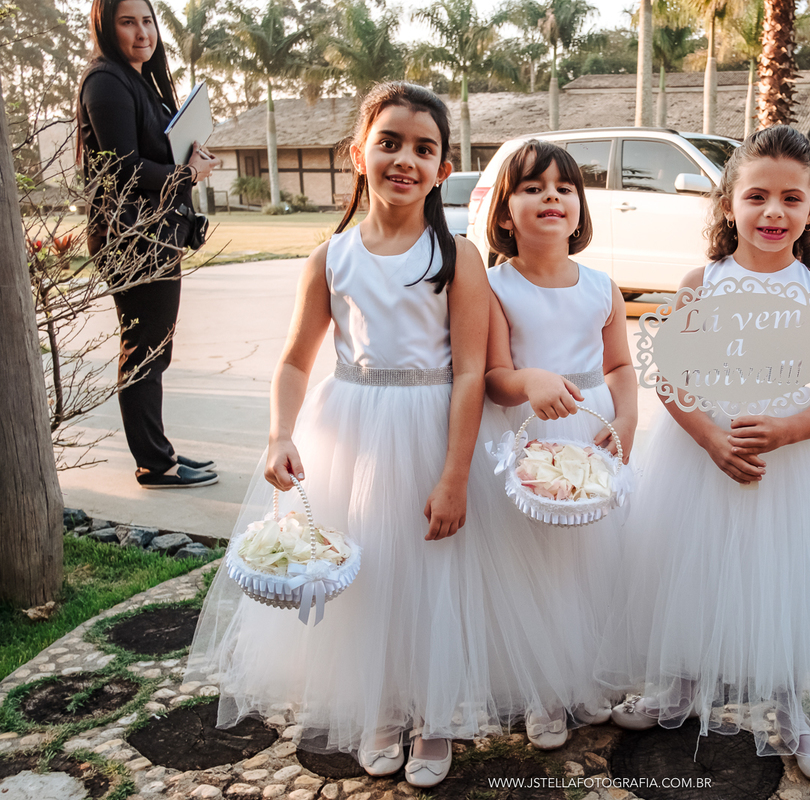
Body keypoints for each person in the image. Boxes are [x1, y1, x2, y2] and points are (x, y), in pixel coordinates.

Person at [188, 83, 535, 789]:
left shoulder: (456, 256)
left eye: (424, 149)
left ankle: (434, 714)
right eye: (390, 142)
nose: (406, 159)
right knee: (370, 575)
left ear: (442, 169)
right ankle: (382, 705)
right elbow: (295, 359)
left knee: (436, 578)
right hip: (352, 432)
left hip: (435, 431)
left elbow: (472, 371)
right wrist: (280, 434)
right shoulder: (331, 257)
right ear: (358, 154)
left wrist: (455, 475)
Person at [595, 126, 810, 783]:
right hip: (701, 460)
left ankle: (792, 706)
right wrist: (709, 437)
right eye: (757, 196)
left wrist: (788, 429)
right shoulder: (703, 283)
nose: (773, 212)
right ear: (729, 203)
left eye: (792, 198)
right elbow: (670, 378)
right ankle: (679, 686)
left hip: (790, 470)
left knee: (780, 582)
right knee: (693, 570)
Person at [482, 140, 638, 748]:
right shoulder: (495, 288)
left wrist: (627, 419)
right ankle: (540, 690)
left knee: (591, 561)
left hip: (592, 432)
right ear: (505, 212)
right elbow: (494, 377)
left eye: (564, 188)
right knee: (536, 564)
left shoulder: (602, 287)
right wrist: (529, 381)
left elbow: (619, 366)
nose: (551, 197)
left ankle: (584, 677)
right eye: (533, 188)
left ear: (579, 209)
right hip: (531, 435)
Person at [77, 0, 220, 488]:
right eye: (127, 22)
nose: (142, 32)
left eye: (147, 21)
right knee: (144, 351)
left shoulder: (140, 82)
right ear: (106, 27)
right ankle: (154, 465)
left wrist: (190, 158)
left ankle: (160, 452)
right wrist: (187, 174)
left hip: (154, 235)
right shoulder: (106, 81)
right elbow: (124, 170)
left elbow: (154, 155)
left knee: (154, 349)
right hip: (131, 239)